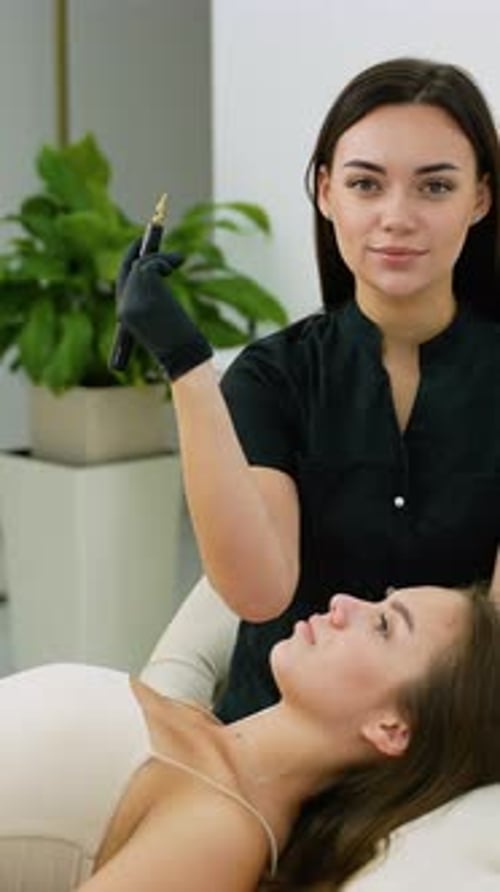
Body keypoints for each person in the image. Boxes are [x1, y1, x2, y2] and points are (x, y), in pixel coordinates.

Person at [117, 56, 500, 721]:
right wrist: (185, 365)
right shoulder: (273, 377)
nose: (396, 216)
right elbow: (260, 592)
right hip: (276, 744)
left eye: (435, 187)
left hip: (442, 754)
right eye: (365, 184)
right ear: (325, 193)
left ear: (481, 198)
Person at [1, 584, 500, 892]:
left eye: (384, 625)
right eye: (379, 600)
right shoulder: (193, 721)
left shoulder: (223, 836)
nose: (343, 603)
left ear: (390, 729)